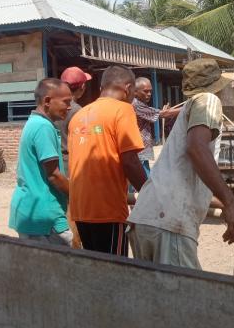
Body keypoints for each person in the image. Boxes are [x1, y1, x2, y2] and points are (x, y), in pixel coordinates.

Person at [128, 59, 234, 268]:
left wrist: (223, 201)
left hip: (147, 218)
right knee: (187, 297)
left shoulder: (190, 108)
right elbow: (197, 148)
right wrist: (230, 203)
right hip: (169, 222)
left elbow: (186, 175)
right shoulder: (208, 100)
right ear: (216, 87)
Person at [68, 65, 147, 256]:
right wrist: (149, 193)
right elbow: (130, 161)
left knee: (95, 270)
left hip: (80, 209)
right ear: (128, 89)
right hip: (108, 210)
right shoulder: (123, 110)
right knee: (114, 274)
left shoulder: (79, 116)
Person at [9, 78, 73, 246]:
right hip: (44, 216)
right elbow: (53, 175)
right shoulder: (43, 127)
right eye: (66, 102)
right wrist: (78, 195)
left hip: (29, 211)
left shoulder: (34, 123)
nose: (69, 107)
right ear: (47, 101)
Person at [132, 77, 180, 174]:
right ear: (135, 92)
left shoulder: (140, 104)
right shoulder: (136, 104)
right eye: (145, 91)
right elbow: (163, 114)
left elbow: (162, 113)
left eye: (150, 91)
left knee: (144, 176)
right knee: (144, 179)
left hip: (142, 147)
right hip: (139, 147)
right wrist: (188, 107)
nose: (149, 94)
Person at [55, 66, 91, 174]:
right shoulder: (78, 111)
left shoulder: (52, 107)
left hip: (55, 163)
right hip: (71, 166)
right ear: (83, 87)